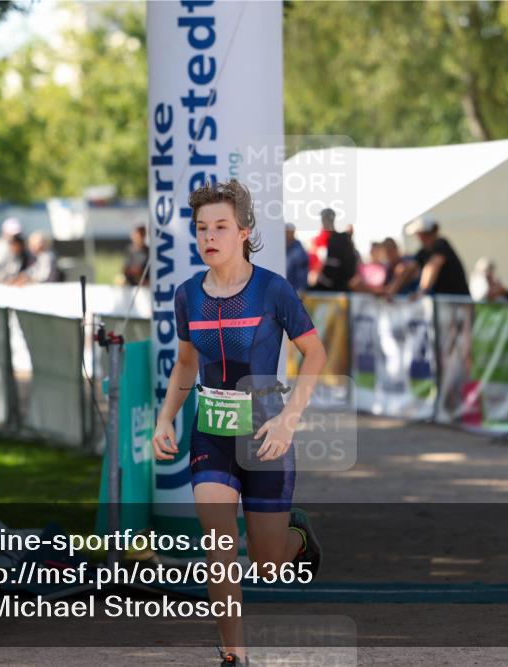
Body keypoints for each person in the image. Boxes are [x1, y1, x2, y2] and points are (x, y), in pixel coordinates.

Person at [152, 179, 327, 667]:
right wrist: (167, 417)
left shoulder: (273, 289)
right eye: (202, 228)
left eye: (221, 227)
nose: (209, 236)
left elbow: (315, 353)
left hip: (267, 429)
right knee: (219, 547)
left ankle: (297, 537)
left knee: (268, 564)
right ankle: (234, 653)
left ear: (244, 231)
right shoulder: (188, 295)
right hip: (212, 433)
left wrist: (290, 419)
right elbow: (186, 364)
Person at [404, 216, 469, 297]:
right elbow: (410, 268)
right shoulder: (423, 251)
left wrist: (421, 291)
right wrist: (392, 289)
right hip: (445, 300)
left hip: (457, 301)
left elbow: (432, 267)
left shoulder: (441, 245)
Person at [311, 208, 357, 291]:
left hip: (337, 290)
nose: (323, 222)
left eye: (325, 219)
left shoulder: (339, 240)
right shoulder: (328, 240)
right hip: (331, 288)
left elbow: (337, 269)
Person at [285, 223, 309, 292]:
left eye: (288, 232)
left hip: (295, 290)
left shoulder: (298, 249)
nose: (286, 234)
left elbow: (302, 271)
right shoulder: (282, 247)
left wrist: (301, 288)